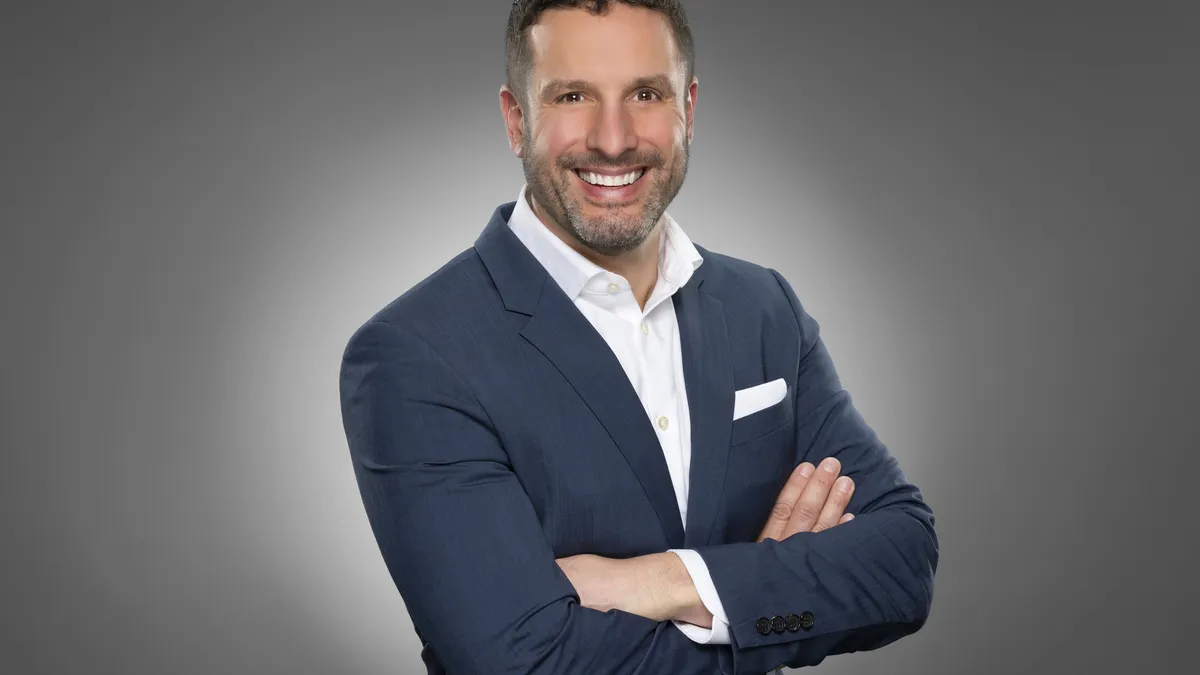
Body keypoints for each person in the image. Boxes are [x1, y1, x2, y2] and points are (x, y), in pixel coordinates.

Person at [338, 1, 938, 673]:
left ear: (689, 109)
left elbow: (905, 565)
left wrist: (664, 581)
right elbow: (525, 664)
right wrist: (762, 590)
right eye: (573, 96)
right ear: (516, 120)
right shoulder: (415, 354)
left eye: (646, 94)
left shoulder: (764, 307)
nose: (615, 139)